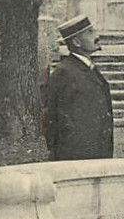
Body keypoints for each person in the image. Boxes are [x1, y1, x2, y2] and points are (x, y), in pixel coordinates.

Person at [46, 15, 114, 161]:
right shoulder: (64, 72)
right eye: (90, 32)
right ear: (77, 42)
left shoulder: (88, 68)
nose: (97, 35)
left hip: (97, 151)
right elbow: (53, 119)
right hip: (77, 155)